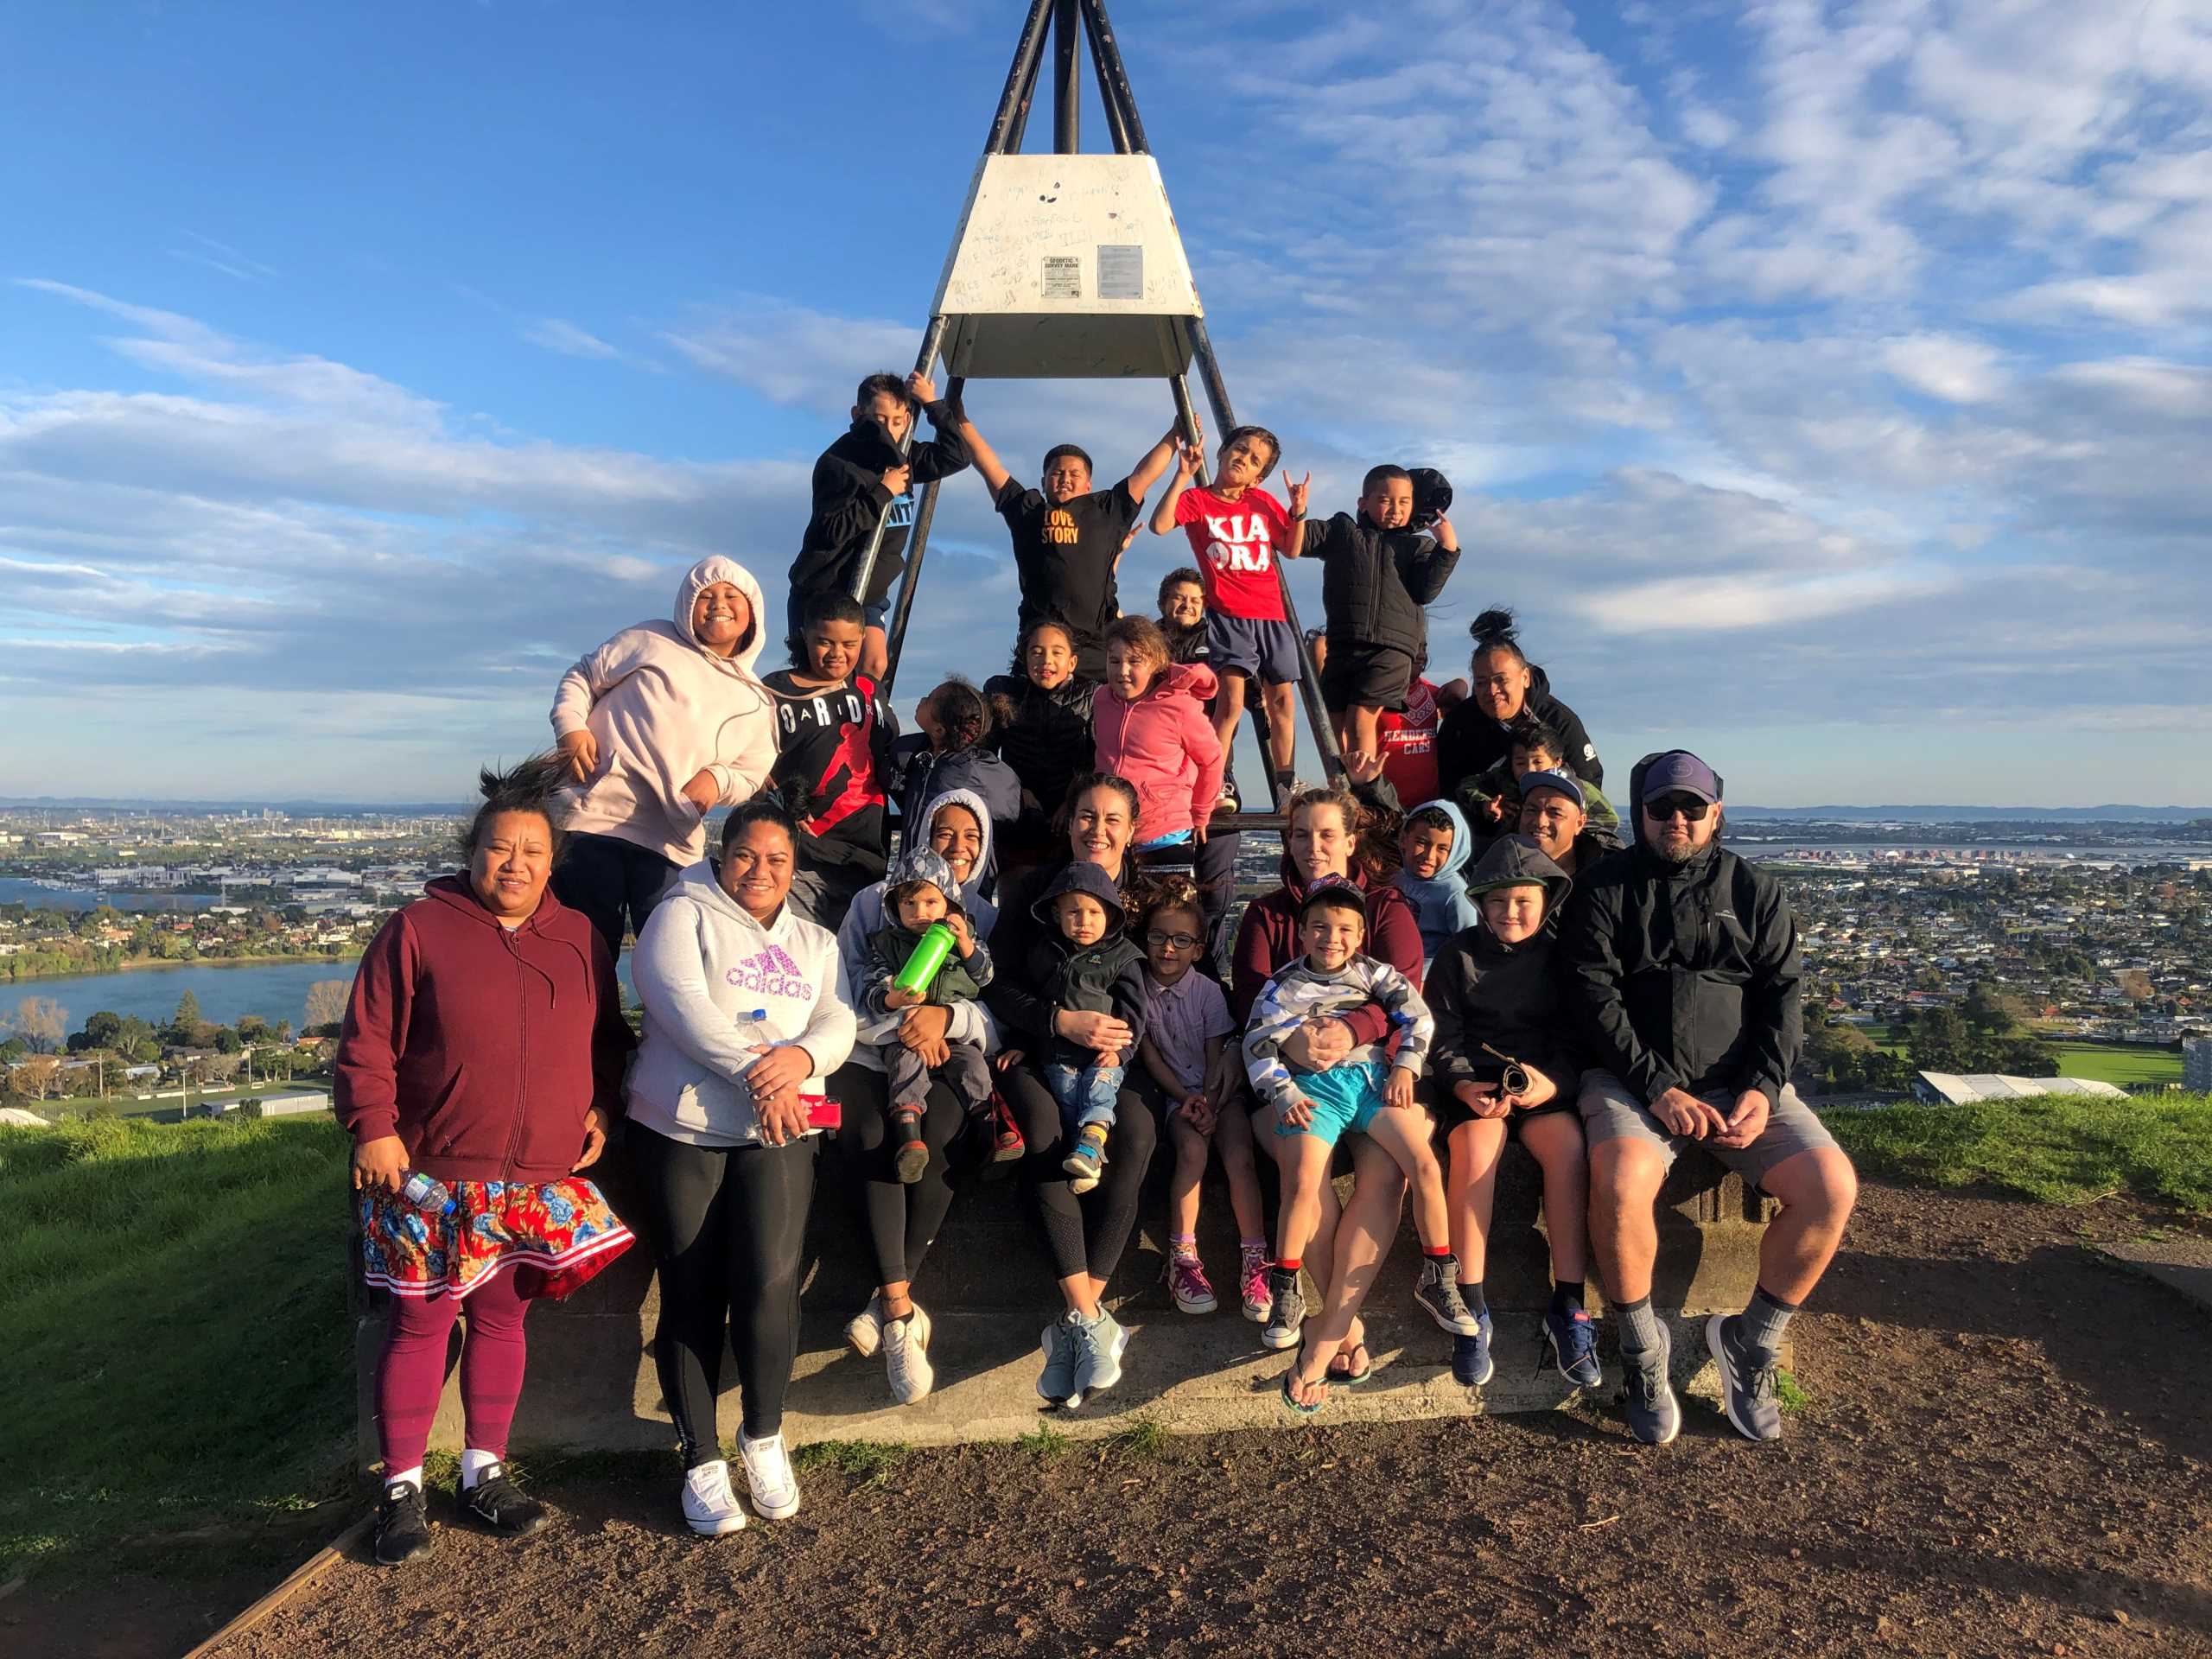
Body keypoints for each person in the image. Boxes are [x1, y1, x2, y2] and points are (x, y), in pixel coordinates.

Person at [338, 755, 635, 1567]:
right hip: (429, 1174)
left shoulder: (580, 939)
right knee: (419, 1322)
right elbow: (366, 1039)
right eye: (500, 848)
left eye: (533, 852)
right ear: (472, 853)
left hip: (533, 1177)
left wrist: (602, 1105)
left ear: (554, 862)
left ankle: (484, 1472)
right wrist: (372, 1126)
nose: (515, 864)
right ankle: (402, 1487)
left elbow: (609, 1040)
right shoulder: (417, 929)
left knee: (505, 1319)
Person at [1560, 750, 1858, 1446]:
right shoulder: (1603, 889)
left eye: (1692, 807)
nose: (1678, 819)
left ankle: (1752, 1341)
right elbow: (1594, 1001)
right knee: (1621, 1181)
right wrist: (1658, 1089)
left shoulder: (1755, 891)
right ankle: (1642, 1347)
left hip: (1738, 1081)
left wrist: (1762, 1088)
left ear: (1715, 813)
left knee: (1831, 1188)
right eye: (1662, 807)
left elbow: (1783, 999)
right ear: (1639, 813)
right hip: (1630, 1080)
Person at [625, 798, 858, 1532]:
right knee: (689, 1287)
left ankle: (763, 1435)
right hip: (683, 1128)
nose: (761, 870)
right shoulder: (679, 915)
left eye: (777, 859)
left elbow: (839, 1019)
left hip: (780, 1133)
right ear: (722, 857)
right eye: (747, 856)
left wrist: (801, 1060)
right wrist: (765, 1073)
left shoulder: (815, 941)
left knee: (770, 1283)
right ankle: (700, 1458)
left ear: (795, 866)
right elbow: (680, 1007)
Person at [1248, 886, 1471, 1414]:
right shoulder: (1283, 985)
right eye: (1321, 928)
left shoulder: (1374, 973)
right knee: (1303, 1181)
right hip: (1314, 1089)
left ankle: (1439, 1274)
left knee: (1422, 1163)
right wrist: (1282, 1091)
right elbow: (1256, 1042)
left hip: (1371, 1082)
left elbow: (1418, 1016)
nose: (1332, 938)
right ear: (1302, 933)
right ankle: (1287, 1287)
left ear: (1362, 935)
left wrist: (1406, 1066)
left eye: (1345, 929)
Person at [1230, 781, 1424, 1385]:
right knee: (1303, 1176)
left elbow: (1407, 991)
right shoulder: (1265, 914)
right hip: (1288, 1082)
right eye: (1300, 835)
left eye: (1326, 834)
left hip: (1369, 1077)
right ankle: (1348, 1330)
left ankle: (1331, 1326)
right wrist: (1293, 1042)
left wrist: (1350, 1029)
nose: (1313, 846)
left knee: (1386, 1173)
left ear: (1351, 840)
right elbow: (1248, 1001)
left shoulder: (1385, 907)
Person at [985, 773, 1163, 1408]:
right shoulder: (1032, 891)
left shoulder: (1150, 898)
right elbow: (997, 984)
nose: (1098, 830)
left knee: (1135, 1136)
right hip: (1037, 1050)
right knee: (1044, 1134)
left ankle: (1078, 1320)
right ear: (1069, 821)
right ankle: (1090, 1319)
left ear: (1132, 830)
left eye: (1113, 819)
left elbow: (1159, 988)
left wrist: (1124, 1045)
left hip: (1117, 1059)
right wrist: (1057, 1021)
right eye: (1087, 815)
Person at [830, 789, 1004, 1406]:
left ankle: (885, 1305)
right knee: (873, 1136)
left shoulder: (980, 917)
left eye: (972, 836)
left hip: (946, 1052)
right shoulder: (870, 904)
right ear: (919, 837)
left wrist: (946, 1020)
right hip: (868, 1051)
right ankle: (901, 1311)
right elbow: (844, 993)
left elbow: (995, 1011)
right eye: (943, 832)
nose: (958, 847)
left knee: (939, 1138)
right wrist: (906, 1022)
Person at [1424, 834, 1599, 1392]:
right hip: (1477, 1087)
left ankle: (1569, 1303)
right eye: (1497, 900)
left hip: (1542, 1088)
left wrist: (1552, 1083)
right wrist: (1462, 1086)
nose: (1510, 911)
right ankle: (1470, 1305)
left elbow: (1578, 1036)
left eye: (1524, 900)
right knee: (1474, 1150)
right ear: (1479, 902)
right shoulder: (1457, 956)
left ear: (1546, 899)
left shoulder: (1562, 958)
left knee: (1568, 1151)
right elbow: (1442, 1036)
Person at [549, 556, 777, 959]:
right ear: (687, 604)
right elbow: (584, 674)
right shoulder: (652, 637)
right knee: (583, 951)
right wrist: (571, 726)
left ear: (753, 610)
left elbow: (753, 770)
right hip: (591, 816)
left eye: (731, 595)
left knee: (671, 959)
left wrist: (718, 780)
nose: (718, 603)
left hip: (670, 839)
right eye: (705, 595)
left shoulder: (756, 698)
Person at [1149, 428, 1312, 791]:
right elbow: (1159, 525)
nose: (1243, 459)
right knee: (1231, 703)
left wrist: (1298, 512)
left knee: (1282, 701)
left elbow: (1291, 549)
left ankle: (1286, 783)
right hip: (1229, 615)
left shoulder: (1262, 502)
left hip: (1272, 615)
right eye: (1239, 449)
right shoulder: (1197, 500)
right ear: (1222, 451)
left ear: (1258, 477)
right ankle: (1215, 781)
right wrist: (1183, 474)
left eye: (1255, 460)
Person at [959, 413, 1180, 678]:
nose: (1065, 479)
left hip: (1094, 644)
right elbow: (989, 465)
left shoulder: (1107, 510)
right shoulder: (1028, 511)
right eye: (1057, 473)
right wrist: (959, 418)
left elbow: (1144, 475)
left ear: (1088, 484)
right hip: (1041, 644)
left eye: (1074, 474)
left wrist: (1174, 434)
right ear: (1043, 482)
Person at [1135, 875, 1266, 1319]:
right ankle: (1183, 1257)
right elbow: (1151, 1057)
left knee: (1239, 1153)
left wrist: (1209, 1102)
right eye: (1158, 937)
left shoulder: (1209, 993)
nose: (1167, 949)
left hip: (1219, 1092)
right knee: (1192, 1151)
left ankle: (1255, 1257)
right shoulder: (1137, 992)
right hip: (1176, 1097)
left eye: (1181, 940)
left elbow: (1216, 1055)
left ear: (1198, 948)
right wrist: (1187, 1100)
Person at [788, 370, 971, 681]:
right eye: (880, 419)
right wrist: (884, 491)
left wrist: (931, 403)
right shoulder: (838, 463)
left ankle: (865, 713)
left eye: (898, 421)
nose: (889, 429)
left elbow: (958, 456)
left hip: (870, 592)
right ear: (857, 415)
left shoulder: (905, 456)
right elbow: (833, 530)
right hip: (826, 589)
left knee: (875, 664)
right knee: (824, 677)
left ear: (908, 420)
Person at [1297, 465, 1462, 764]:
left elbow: (1425, 592)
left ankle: (1362, 788)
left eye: (1404, 502)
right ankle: (1344, 786)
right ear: (1363, 503)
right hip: (1344, 644)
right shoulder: (1342, 532)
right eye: (1386, 501)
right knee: (1334, 723)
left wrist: (1447, 549)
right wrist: (1296, 514)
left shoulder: (1418, 546)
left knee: (1360, 718)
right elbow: (1297, 541)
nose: (1396, 510)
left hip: (1391, 649)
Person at [761, 591, 901, 927]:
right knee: (798, 948)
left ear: (862, 639)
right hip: (802, 854)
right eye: (825, 642)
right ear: (805, 636)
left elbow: (891, 755)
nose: (837, 653)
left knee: (854, 954)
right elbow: (748, 764)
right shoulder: (774, 693)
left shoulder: (871, 691)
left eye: (849, 644)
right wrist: (779, 802)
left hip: (866, 857)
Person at [859, 848, 994, 1181]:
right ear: (895, 907)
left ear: (949, 904)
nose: (919, 912)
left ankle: (989, 1127)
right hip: (905, 1034)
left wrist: (965, 944)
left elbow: (986, 976)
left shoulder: (966, 938)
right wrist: (892, 998)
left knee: (974, 1067)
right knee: (904, 1067)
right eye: (909, 903)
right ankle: (909, 1135)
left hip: (953, 1034)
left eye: (931, 902)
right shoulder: (886, 943)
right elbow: (872, 989)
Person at [1016, 861, 1147, 1193]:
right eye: (1073, 912)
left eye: (1094, 912)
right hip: (1058, 1054)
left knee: (1098, 1092)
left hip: (1104, 1055)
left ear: (1111, 915)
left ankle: (1091, 1143)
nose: (1084, 921)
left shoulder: (1123, 956)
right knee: (1068, 1101)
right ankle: (1088, 1161)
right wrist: (1021, 1043)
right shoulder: (1044, 952)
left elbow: (1135, 1011)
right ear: (1056, 914)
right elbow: (1032, 1001)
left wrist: (1123, 1052)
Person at [1156, 568, 1242, 963]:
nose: (1186, 605)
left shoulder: (1221, 640)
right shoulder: (1148, 645)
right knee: (1163, 882)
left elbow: (1242, 693)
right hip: (1163, 772)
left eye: (1195, 599)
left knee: (1216, 875)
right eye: (1178, 597)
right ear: (1163, 602)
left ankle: (1209, 964)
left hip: (1212, 767)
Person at [1435, 607, 1602, 809]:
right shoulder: (1459, 723)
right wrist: (1483, 808)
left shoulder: (1559, 721)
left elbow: (1589, 784)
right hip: (1477, 825)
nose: (1492, 690)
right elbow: (1446, 790)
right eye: (1481, 683)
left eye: (1501, 680)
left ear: (1525, 677)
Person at [1091, 615, 1224, 854]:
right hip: (1112, 830)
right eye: (1114, 661)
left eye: (1134, 661)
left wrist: (1201, 812)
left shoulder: (1178, 705)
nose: (1123, 671)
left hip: (1165, 831)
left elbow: (1212, 758)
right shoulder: (1102, 699)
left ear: (1156, 662)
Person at [984, 620, 1099, 862]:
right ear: (1024, 658)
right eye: (1036, 652)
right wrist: (1017, 790)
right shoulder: (1005, 693)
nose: (1046, 660)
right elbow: (986, 755)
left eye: (1057, 652)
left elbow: (1096, 759)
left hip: (1071, 818)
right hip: (1017, 814)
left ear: (1072, 662)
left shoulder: (1092, 696)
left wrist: (1072, 801)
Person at [891, 678, 1023, 864]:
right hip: (919, 873)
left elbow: (1009, 812)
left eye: (928, 699)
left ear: (938, 730)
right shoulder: (922, 761)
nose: (921, 700)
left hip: (962, 873)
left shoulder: (971, 771)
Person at [1459, 718, 1622, 846]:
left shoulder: (1575, 790)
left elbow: (1609, 819)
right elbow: (1466, 785)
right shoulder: (1505, 779)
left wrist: (1569, 835)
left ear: (1557, 762)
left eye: (1538, 762)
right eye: (1521, 763)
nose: (1529, 769)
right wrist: (1484, 804)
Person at [1395, 800, 1479, 971]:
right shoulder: (1394, 877)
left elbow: (1469, 949)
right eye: (1421, 843)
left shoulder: (1455, 894)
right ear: (1403, 839)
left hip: (1428, 976)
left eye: (1442, 848)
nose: (1429, 856)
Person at [1375, 646, 1449, 807]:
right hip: (1384, 805)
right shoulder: (1374, 692)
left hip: (1428, 805)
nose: (1420, 653)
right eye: (1414, 644)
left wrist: (1460, 685)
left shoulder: (1433, 692)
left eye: (1424, 647)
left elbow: (1456, 695)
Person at [1516, 768, 1611, 879]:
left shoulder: (1606, 878)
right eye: (1531, 810)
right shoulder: (1501, 873)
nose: (1540, 822)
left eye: (1555, 813)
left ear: (1579, 823)